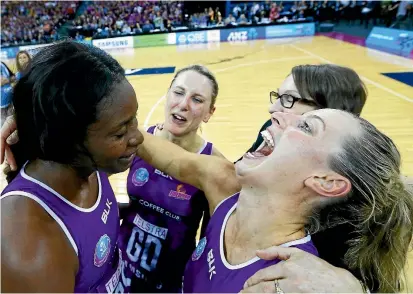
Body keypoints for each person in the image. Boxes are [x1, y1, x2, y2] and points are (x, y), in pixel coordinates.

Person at [136, 108, 413, 293]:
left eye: (306, 125)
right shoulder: (225, 186)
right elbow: (145, 144)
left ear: (326, 182)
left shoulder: (294, 282)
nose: (278, 115)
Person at [1, 40, 143, 292]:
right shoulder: (29, 246)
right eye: (121, 132)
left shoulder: (88, 163)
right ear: (70, 139)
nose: (138, 137)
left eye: (134, 120)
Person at [120, 65, 226, 292]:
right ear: (167, 95)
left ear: (209, 113)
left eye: (197, 99)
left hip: (169, 283)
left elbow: (211, 241)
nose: (184, 104)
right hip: (120, 271)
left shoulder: (213, 164)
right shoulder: (141, 139)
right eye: (178, 92)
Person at [1, 61, 15, 127]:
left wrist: (7, 80)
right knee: (3, 125)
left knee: (12, 121)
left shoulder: (2, 63)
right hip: (1, 105)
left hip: (10, 99)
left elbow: (14, 77)